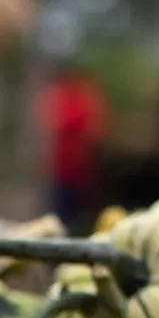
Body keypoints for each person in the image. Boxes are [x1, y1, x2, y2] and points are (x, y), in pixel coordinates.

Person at [38, 62, 110, 233]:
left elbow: (96, 130)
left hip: (81, 171)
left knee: (78, 216)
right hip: (63, 169)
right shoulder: (62, 96)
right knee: (61, 216)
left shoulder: (85, 97)